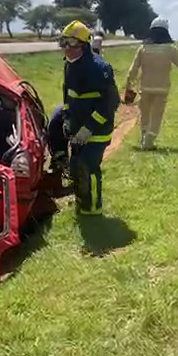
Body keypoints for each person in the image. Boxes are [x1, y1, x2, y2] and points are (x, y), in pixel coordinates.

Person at [57, 20, 120, 215]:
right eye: (63, 42)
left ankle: (93, 208)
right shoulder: (69, 66)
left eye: (71, 43)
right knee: (76, 164)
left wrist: (89, 128)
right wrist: (67, 118)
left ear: (84, 45)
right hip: (77, 127)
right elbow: (68, 96)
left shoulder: (98, 68)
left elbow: (110, 103)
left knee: (88, 166)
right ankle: (81, 200)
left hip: (97, 130)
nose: (67, 48)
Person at [124, 16, 178, 150]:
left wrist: (129, 83)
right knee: (156, 115)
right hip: (162, 89)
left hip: (145, 88)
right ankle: (149, 140)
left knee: (145, 114)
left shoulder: (143, 48)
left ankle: (144, 136)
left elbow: (133, 69)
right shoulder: (171, 49)